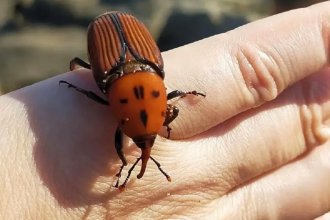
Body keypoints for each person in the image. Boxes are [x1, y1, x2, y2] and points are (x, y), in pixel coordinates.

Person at [1, 2, 330, 219]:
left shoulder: (126, 89)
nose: (145, 147)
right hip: (117, 46)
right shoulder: (117, 92)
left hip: (126, 55)